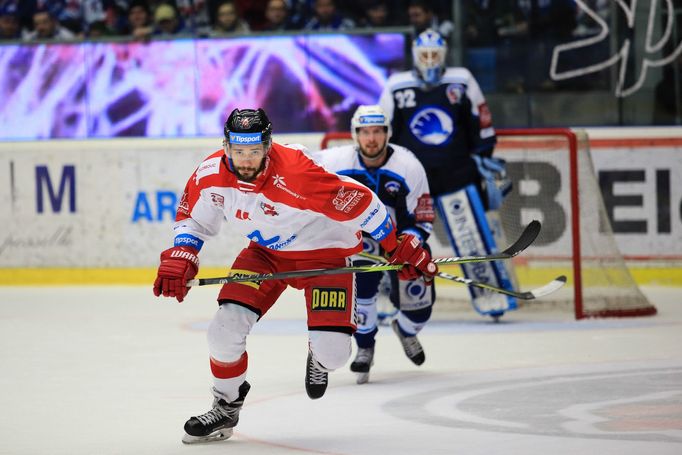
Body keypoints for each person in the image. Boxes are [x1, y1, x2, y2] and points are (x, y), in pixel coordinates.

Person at [152, 107, 438, 443]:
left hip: (326, 254)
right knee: (222, 331)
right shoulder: (211, 173)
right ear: (227, 146)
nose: (246, 161)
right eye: (239, 151)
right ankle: (226, 406)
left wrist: (395, 245)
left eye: (255, 152)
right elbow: (194, 219)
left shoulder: (298, 174)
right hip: (265, 255)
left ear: (268, 147)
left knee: (333, 354)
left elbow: (362, 203)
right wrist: (184, 252)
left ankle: (318, 354)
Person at [379, 29, 515, 319]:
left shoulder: (461, 79)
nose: (429, 60)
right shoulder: (396, 85)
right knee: (400, 240)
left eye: (435, 55)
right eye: (425, 55)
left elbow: (481, 121)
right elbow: (383, 129)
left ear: (444, 56)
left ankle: (490, 294)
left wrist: (482, 157)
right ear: (415, 55)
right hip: (411, 181)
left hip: (456, 174)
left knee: (472, 239)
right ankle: (386, 298)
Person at [311, 105, 436, 384]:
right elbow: (296, 166)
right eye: (365, 132)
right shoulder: (334, 161)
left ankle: (406, 329)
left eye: (378, 131)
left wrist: (409, 245)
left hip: (401, 242)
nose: (371, 139)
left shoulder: (409, 166)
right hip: (360, 242)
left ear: (387, 133)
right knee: (362, 294)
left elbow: (424, 215)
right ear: (355, 134)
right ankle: (365, 346)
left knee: (420, 308)